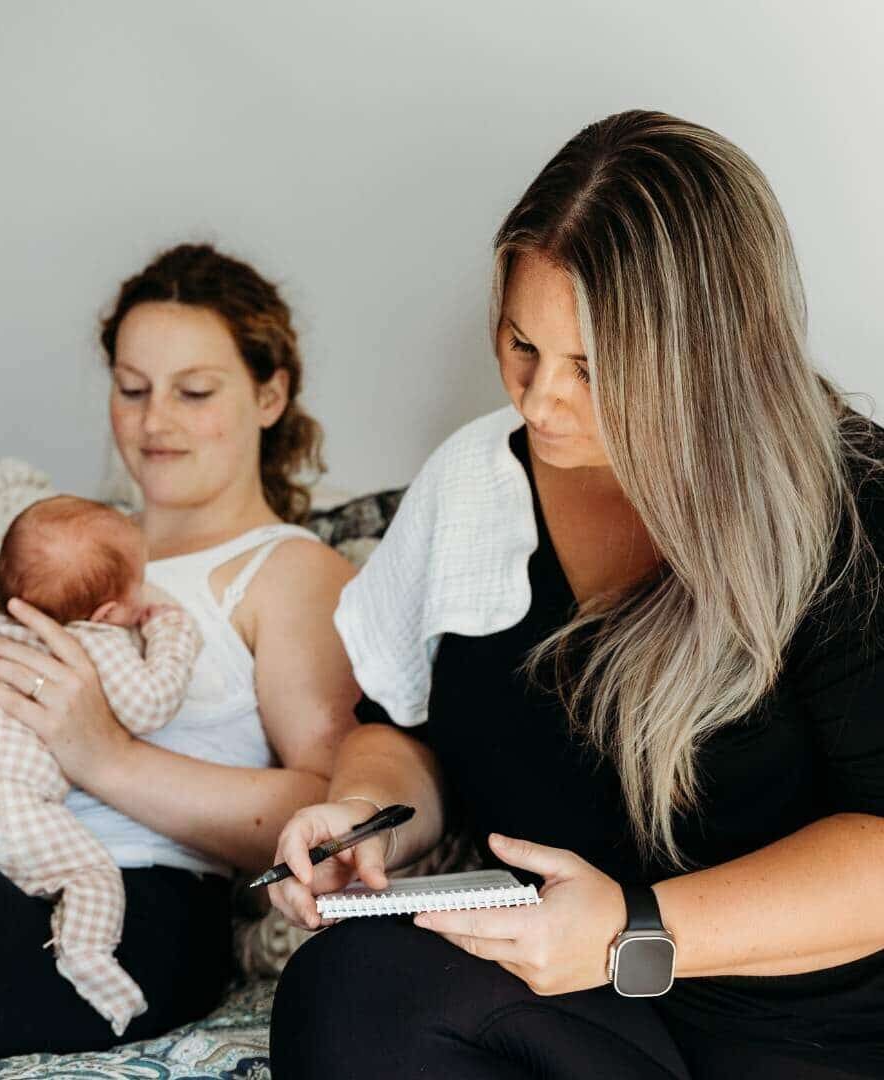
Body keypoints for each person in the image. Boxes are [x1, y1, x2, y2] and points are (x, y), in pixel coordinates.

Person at [268, 110, 884, 1079]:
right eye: (521, 345)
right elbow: (401, 733)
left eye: (595, 370)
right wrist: (362, 815)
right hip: (587, 1007)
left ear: (711, 355)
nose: (538, 399)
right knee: (350, 990)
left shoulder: (847, 506)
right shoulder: (473, 483)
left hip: (808, 1029)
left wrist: (632, 928)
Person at [0, 243, 359, 1068]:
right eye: (131, 389)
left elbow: (327, 809)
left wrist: (108, 755)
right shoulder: (55, 541)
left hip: (116, 907)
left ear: (270, 392)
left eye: (194, 391)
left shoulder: (288, 570)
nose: (153, 421)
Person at [0, 495, 204, 1036]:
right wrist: (172, 632)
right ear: (106, 614)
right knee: (89, 874)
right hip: (0, 807)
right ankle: (85, 956)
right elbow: (151, 703)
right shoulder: (97, 642)